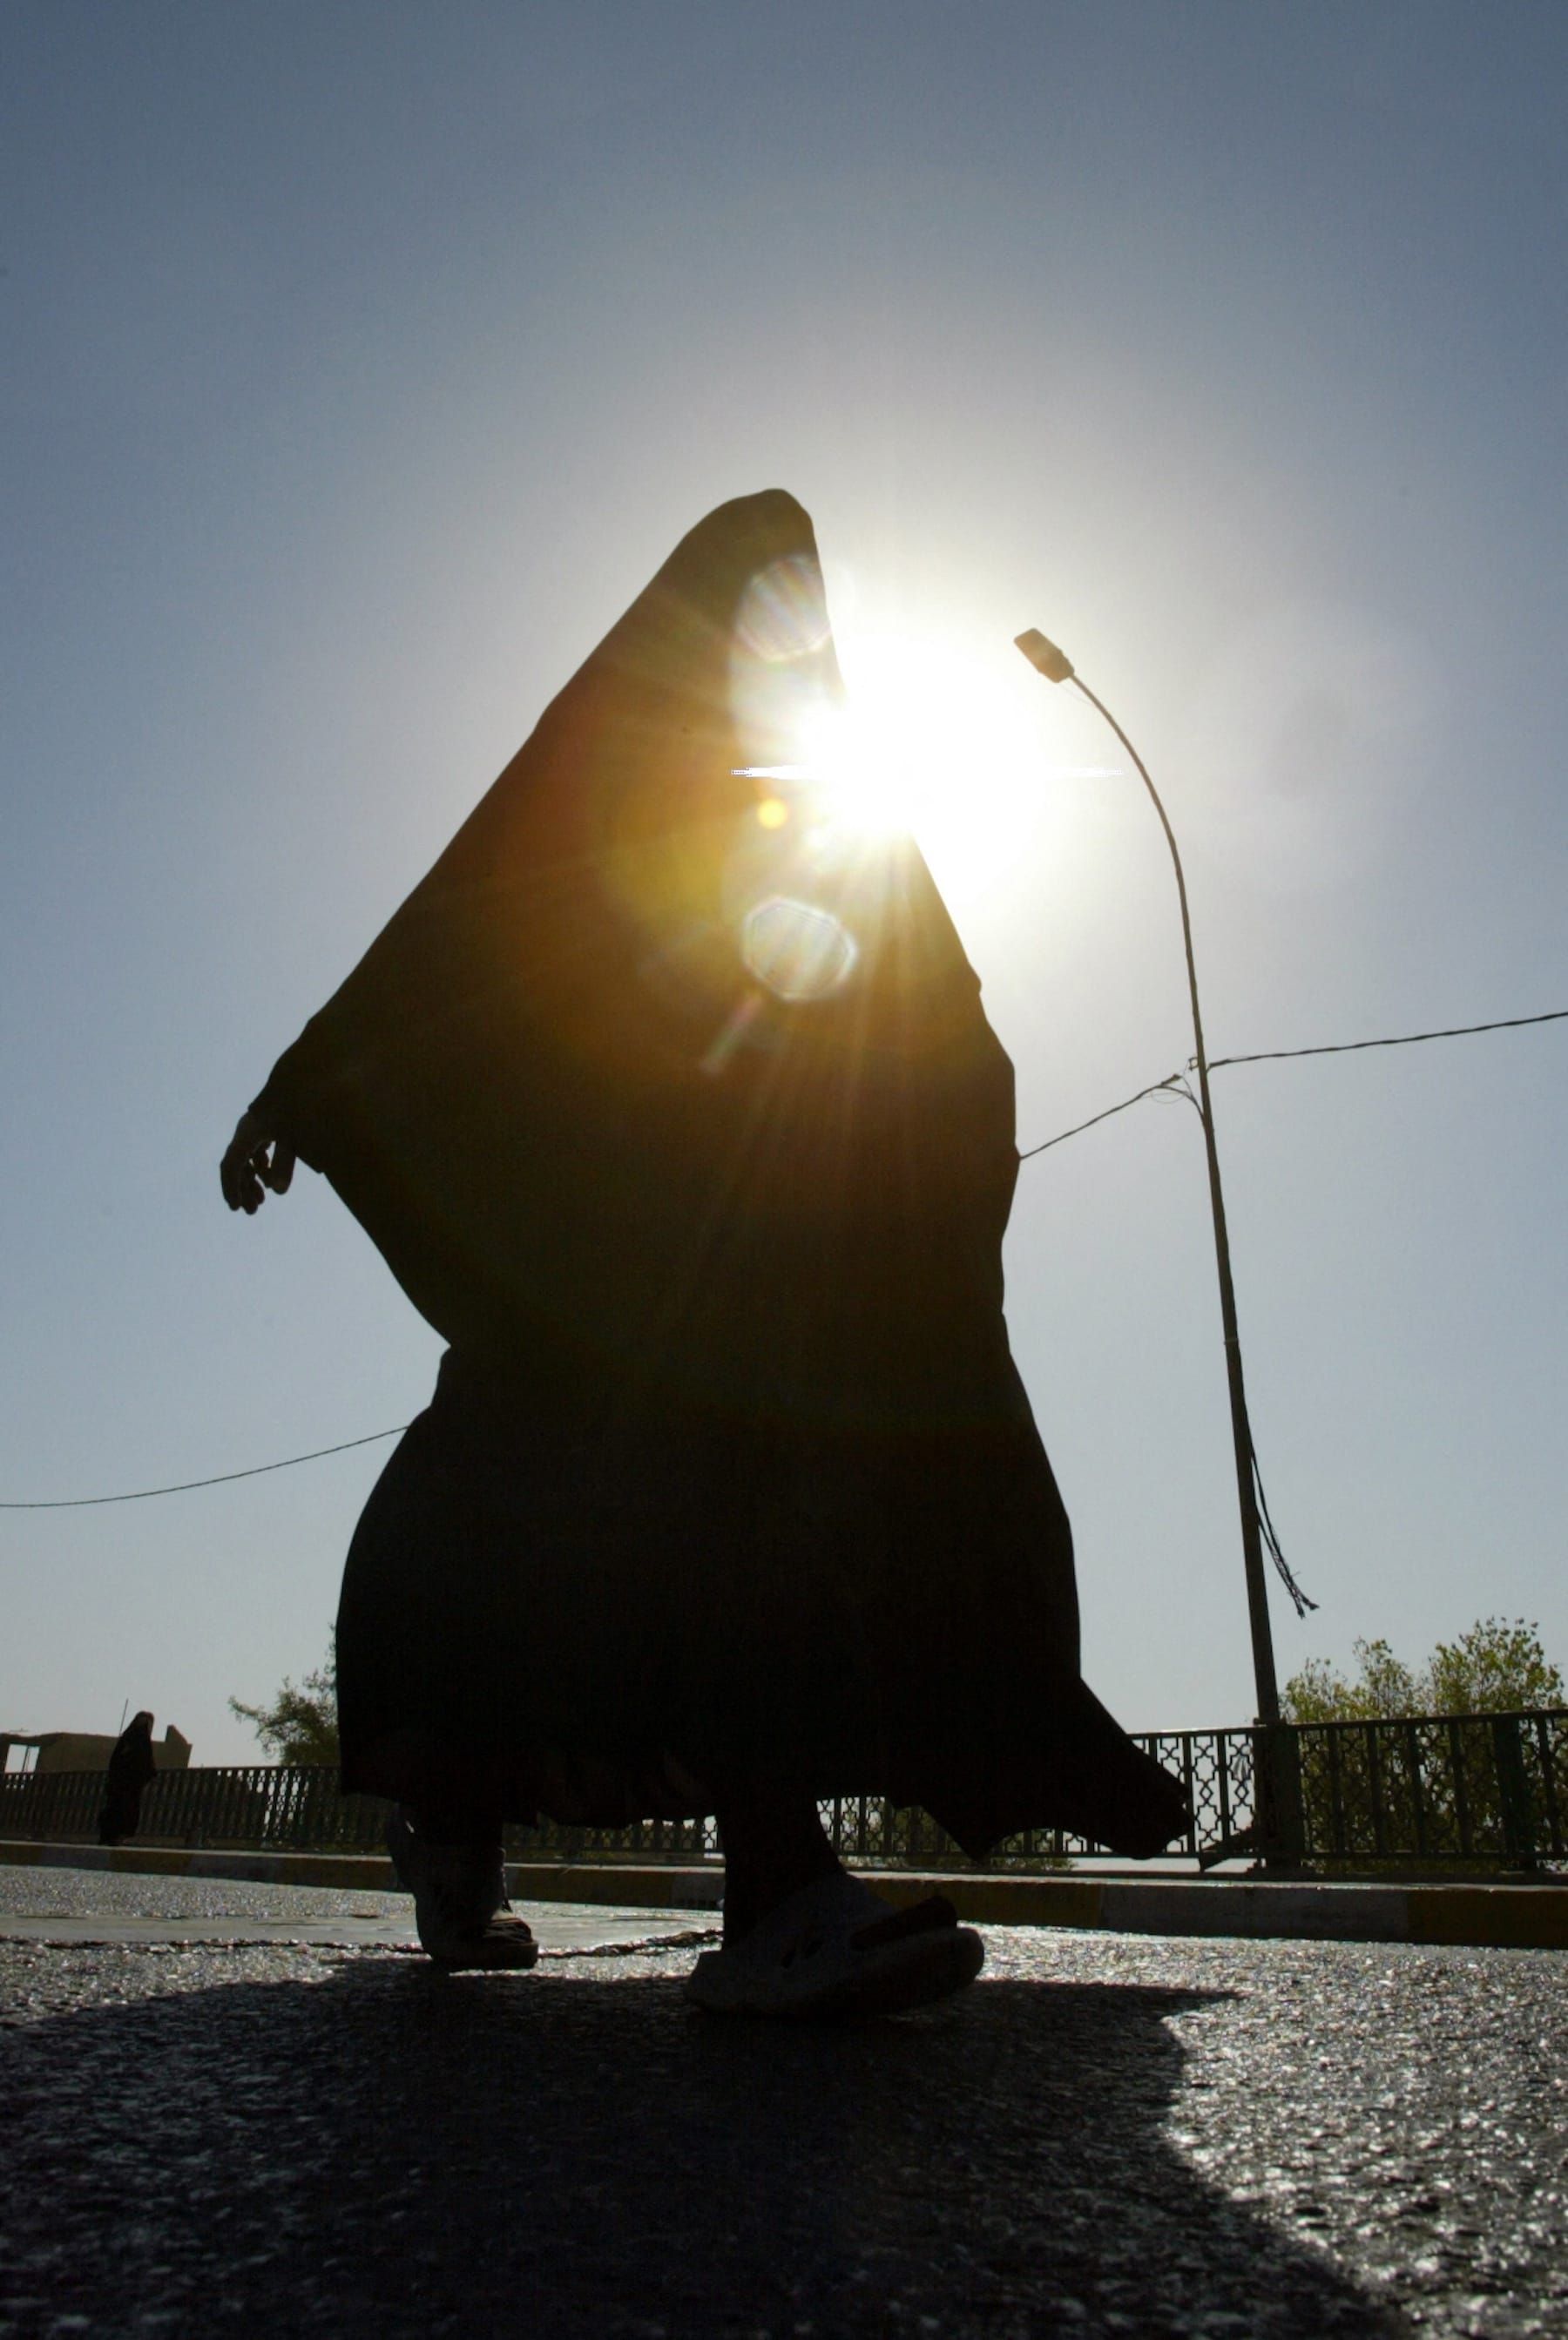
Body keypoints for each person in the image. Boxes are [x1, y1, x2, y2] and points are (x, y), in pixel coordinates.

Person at [221, 490, 1186, 2012]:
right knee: (531, 1548)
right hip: (604, 1301)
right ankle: (492, 1838)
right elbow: (457, 945)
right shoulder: (593, 823)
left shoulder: (841, 821)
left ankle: (776, 1890)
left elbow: (943, 1034)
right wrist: (314, 1075)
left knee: (767, 1528)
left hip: (753, 1308)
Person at [98, 1710, 157, 1846]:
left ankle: (114, 1836)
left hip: (129, 1785)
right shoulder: (133, 1740)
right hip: (125, 1785)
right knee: (121, 1810)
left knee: (122, 1810)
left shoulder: (132, 1739)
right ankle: (114, 1836)